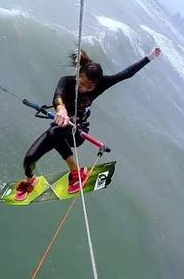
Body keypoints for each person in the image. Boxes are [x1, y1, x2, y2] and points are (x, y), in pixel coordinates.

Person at [14, 47, 162, 200]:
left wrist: (149, 58)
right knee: (29, 160)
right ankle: (31, 180)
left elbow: (126, 74)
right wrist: (61, 108)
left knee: (54, 133)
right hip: (61, 125)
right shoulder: (66, 81)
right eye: (81, 83)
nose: (84, 89)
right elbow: (58, 95)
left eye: (89, 87)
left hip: (78, 132)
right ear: (78, 75)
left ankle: (76, 172)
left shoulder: (102, 84)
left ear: (96, 85)